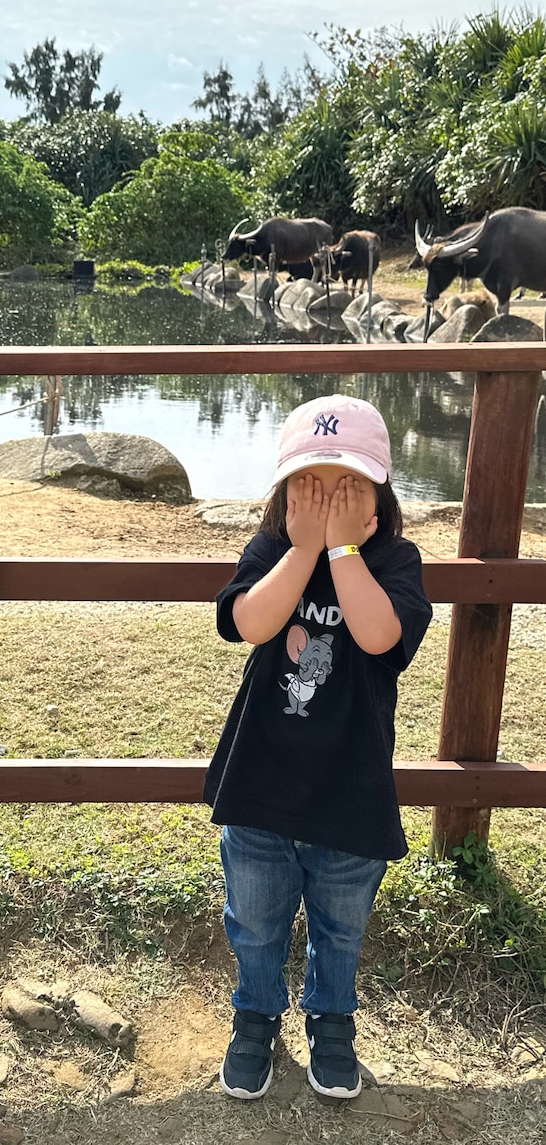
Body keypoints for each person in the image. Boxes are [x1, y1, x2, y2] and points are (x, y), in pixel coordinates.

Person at [207, 394, 431, 1101]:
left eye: (348, 486)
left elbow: (377, 636)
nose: (328, 499)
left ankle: (332, 1022)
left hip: (351, 790)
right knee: (255, 921)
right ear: (283, 496)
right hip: (260, 784)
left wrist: (341, 550)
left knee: (340, 927)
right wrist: (305, 548)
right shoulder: (273, 552)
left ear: (380, 497)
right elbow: (250, 622)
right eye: (312, 484)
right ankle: (255, 1017)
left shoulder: (396, 561)